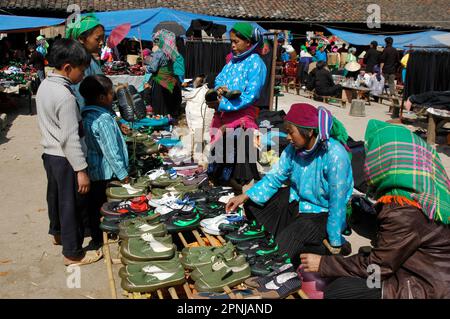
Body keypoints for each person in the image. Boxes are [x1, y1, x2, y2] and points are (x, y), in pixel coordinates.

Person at [301, 119, 450, 299]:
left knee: (341, 290)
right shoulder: (424, 192)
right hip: (413, 269)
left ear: (385, 161)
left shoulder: (404, 209)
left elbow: (378, 267)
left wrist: (323, 264)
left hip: (423, 286)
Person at [226, 103, 353, 266]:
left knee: (285, 247)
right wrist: (244, 196)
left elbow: (337, 203)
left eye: (290, 132)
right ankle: (286, 236)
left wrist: (335, 242)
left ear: (309, 132)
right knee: (252, 204)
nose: (287, 137)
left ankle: (330, 245)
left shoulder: (335, 155)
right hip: (298, 201)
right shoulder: (293, 149)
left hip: (322, 211)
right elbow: (274, 177)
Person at [36, 38, 102, 266]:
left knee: (55, 198)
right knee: (70, 204)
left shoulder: (45, 85)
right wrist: (81, 170)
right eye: (81, 71)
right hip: (66, 158)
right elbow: (70, 138)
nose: (83, 76)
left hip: (50, 154)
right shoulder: (65, 96)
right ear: (67, 68)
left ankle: (57, 233)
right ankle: (72, 252)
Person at [205, 22, 267, 192]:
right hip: (223, 115)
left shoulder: (255, 63)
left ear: (249, 42)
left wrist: (223, 103)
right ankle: (224, 191)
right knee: (220, 156)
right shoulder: (231, 62)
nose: (232, 45)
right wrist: (220, 89)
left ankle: (242, 195)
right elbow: (219, 79)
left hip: (241, 119)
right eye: (231, 41)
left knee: (239, 161)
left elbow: (251, 95)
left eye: (236, 42)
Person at [80, 75, 129, 247]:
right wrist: (123, 174)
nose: (113, 97)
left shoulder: (87, 115)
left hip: (93, 169)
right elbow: (111, 151)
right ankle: (102, 236)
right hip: (106, 172)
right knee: (106, 205)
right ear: (102, 97)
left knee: (94, 205)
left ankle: (96, 235)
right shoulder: (103, 119)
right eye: (111, 94)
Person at [66, 13, 105, 109]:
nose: (101, 42)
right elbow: (80, 97)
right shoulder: (79, 63)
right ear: (82, 39)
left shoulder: (91, 59)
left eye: (102, 38)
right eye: (97, 39)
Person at [144, 29, 182, 117]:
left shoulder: (159, 53)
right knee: (168, 99)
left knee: (160, 100)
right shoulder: (171, 53)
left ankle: (161, 117)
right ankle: (168, 116)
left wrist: (146, 68)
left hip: (160, 80)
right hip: (169, 78)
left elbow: (153, 68)